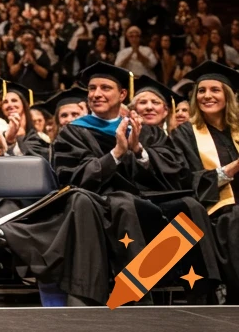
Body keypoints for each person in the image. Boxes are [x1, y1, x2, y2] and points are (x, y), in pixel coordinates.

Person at [52, 62, 222, 301]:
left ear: (122, 94)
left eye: (105, 88)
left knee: (190, 206)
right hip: (103, 201)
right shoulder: (74, 132)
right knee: (126, 205)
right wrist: (117, 154)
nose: (96, 94)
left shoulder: (147, 131)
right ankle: (136, 295)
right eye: (92, 88)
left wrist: (140, 150)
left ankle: (203, 294)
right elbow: (72, 176)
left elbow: (176, 171)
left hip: (149, 198)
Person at [0, 72, 108, 306]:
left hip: (32, 207)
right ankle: (54, 289)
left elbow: (45, 171)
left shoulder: (25, 134)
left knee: (74, 209)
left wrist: (14, 144)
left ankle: (74, 295)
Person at [170, 62, 239, 302]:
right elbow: (187, 181)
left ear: (228, 95)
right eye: (201, 90)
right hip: (214, 214)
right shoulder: (185, 134)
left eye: (215, 90)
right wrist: (234, 167)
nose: (207, 95)